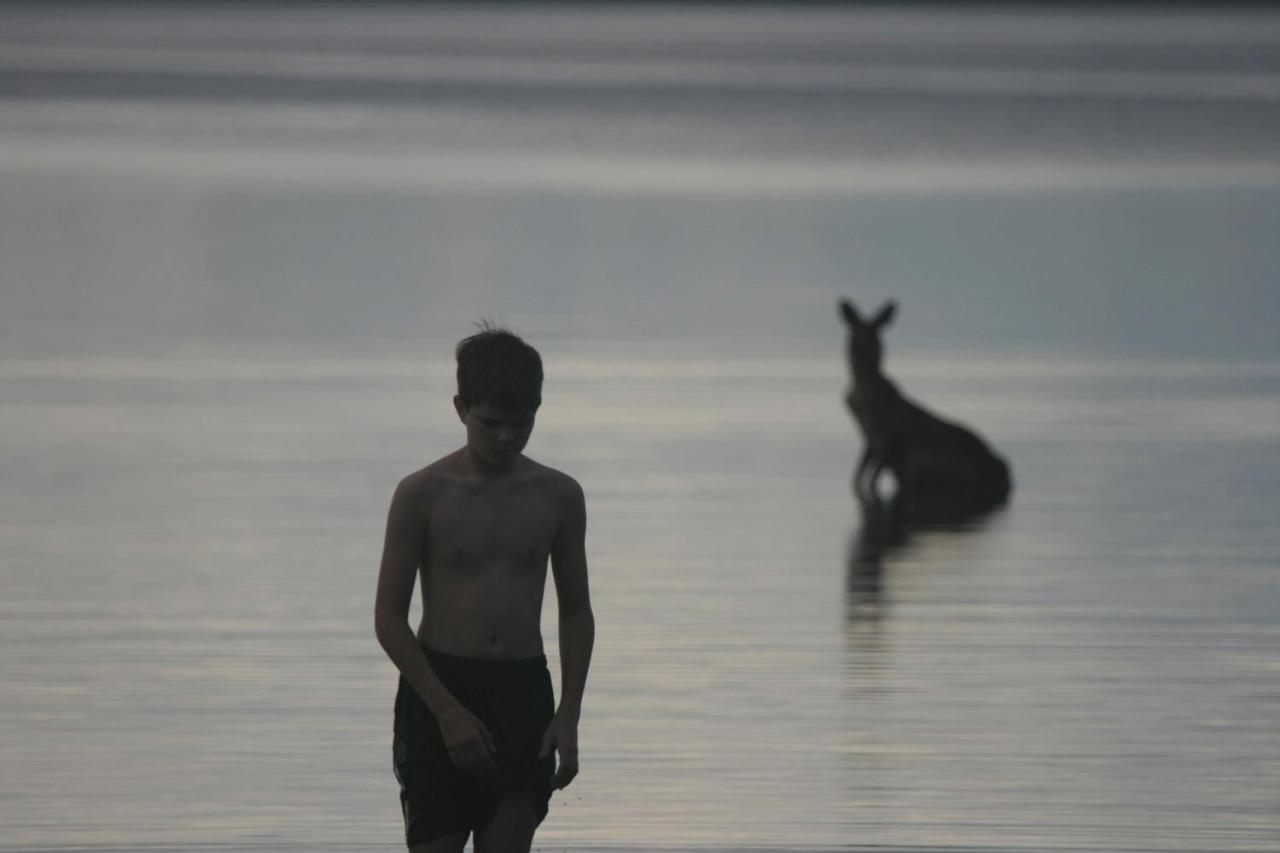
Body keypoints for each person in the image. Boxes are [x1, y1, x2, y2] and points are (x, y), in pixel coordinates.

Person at [374, 325, 595, 853]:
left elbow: (575, 613)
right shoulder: (422, 494)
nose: (506, 438)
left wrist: (569, 715)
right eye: (491, 423)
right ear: (460, 409)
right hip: (439, 685)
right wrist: (446, 711)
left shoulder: (560, 496)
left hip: (522, 690)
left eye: (521, 424)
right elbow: (388, 619)